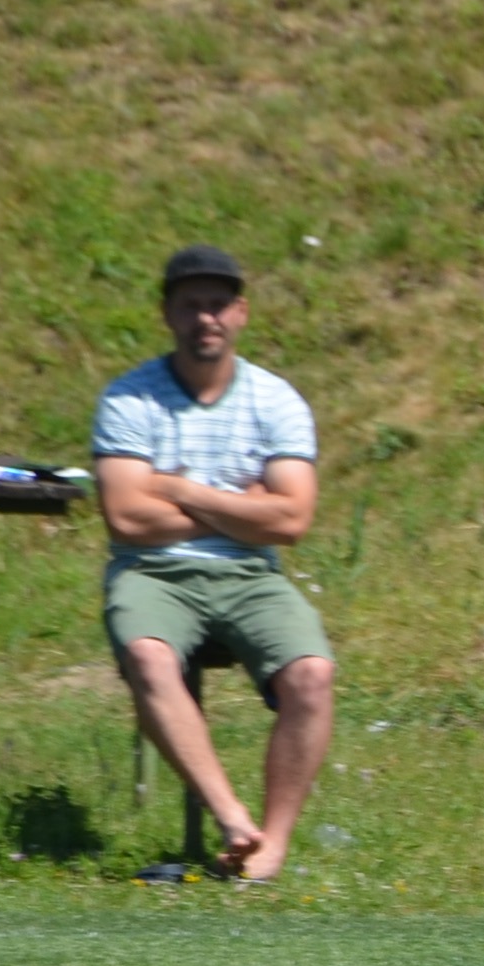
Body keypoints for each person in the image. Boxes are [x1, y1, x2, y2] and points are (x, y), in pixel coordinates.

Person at [92, 244, 335, 881]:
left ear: (241, 313)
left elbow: (292, 521)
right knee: (148, 656)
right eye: (192, 304)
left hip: (250, 573)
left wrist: (178, 489)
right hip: (152, 571)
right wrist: (241, 506)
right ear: (168, 313)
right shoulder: (129, 399)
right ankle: (232, 819)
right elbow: (126, 519)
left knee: (312, 674)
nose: (207, 318)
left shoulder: (275, 400)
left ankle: (271, 847)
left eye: (219, 305)